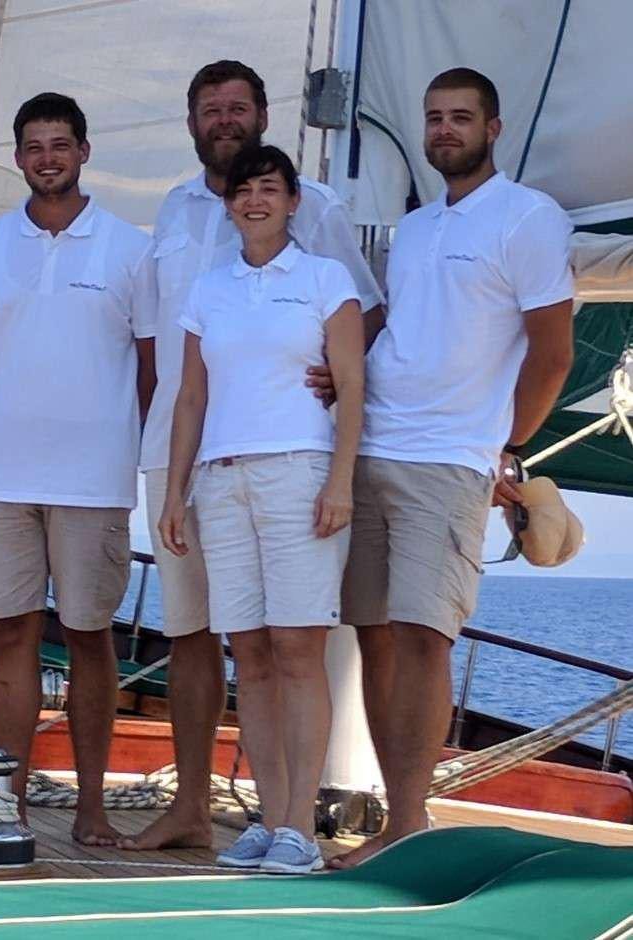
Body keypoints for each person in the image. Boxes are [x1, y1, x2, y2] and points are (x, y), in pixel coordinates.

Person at [122, 59, 383, 853]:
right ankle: (205, 810)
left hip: (293, 455)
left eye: (238, 107)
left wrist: (335, 388)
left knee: (295, 642)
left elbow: (363, 321)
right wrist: (168, 479)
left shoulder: (324, 230)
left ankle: (293, 824)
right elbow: (167, 356)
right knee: (209, 637)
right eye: (211, 109)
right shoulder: (172, 213)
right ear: (192, 120)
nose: (225, 120)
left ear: (265, 116)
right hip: (195, 459)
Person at [332, 68, 574, 868]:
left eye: (460, 118)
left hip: (450, 458)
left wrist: (504, 444)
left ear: (493, 128)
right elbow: (405, 331)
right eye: (434, 118)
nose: (443, 131)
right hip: (374, 446)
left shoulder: (529, 218)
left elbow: (552, 351)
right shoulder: (419, 227)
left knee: (424, 635)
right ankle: (388, 817)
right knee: (373, 632)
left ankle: (408, 823)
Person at [0, 93, 157, 843]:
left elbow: (150, 368)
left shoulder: (133, 249)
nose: (47, 158)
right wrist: (15, 415)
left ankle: (92, 806)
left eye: (60, 144)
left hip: (94, 480)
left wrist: (100, 430)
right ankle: (5, 809)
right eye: (33, 146)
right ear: (18, 156)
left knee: (91, 636)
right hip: (0, 476)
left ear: (84, 151)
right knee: (11, 638)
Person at [159, 144, 363, 873]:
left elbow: (352, 388)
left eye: (268, 189)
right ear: (228, 203)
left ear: (292, 200)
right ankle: (271, 821)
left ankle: (301, 829)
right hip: (221, 479)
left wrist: (340, 481)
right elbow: (190, 397)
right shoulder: (208, 291)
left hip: (299, 473)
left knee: (299, 650)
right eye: (243, 190)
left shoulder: (325, 280)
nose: (254, 201)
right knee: (249, 652)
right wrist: (178, 490)